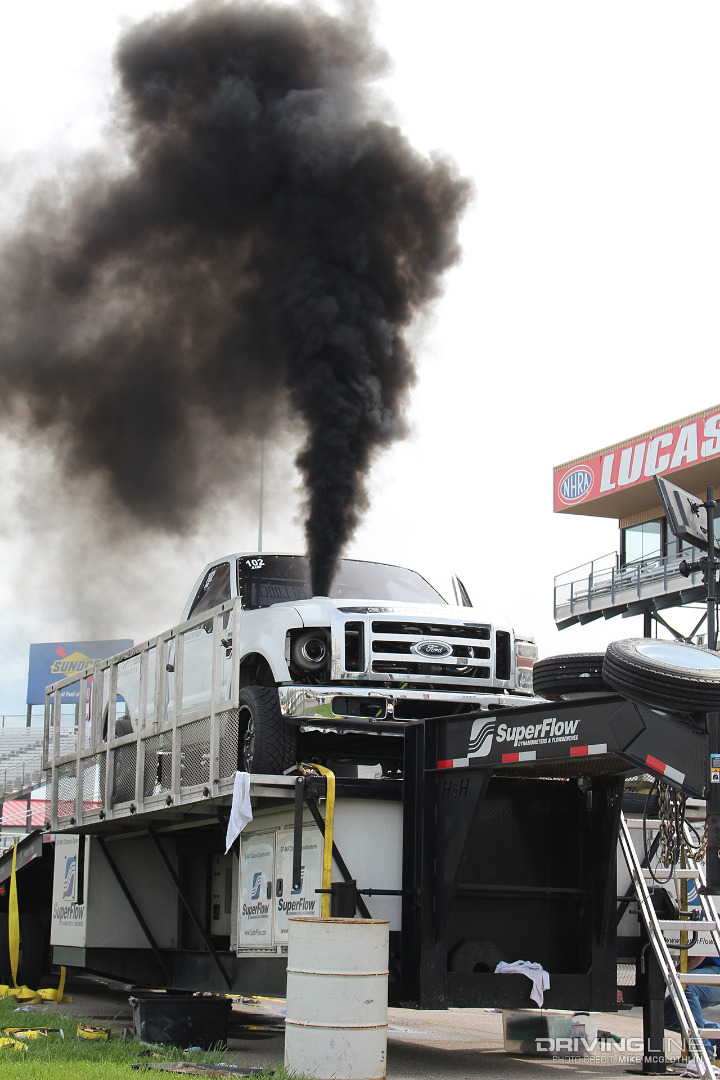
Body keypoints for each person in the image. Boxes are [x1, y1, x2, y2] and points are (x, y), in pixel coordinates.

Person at [664, 954, 720, 1057]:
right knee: (663, 1014)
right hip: (707, 971)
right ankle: (715, 1033)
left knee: (687, 984)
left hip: (716, 970)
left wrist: (671, 973)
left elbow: (699, 955)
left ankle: (701, 1050)